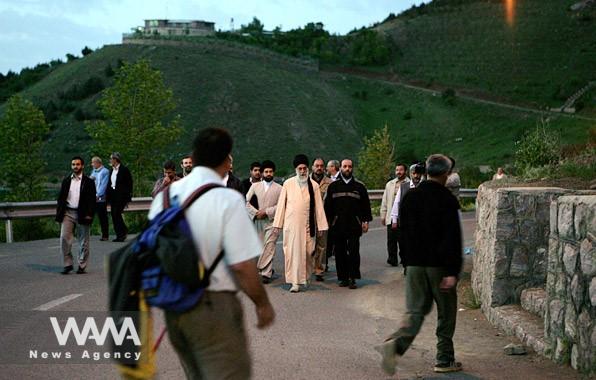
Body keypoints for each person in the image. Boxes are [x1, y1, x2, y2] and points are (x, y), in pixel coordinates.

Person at [148, 127, 275, 379]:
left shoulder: (164, 198)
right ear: (227, 160)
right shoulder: (227, 200)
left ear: (193, 158)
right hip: (213, 308)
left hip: (175, 308)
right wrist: (262, 303)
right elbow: (243, 266)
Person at [376, 154, 463, 375]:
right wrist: (452, 271)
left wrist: (406, 261)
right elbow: (452, 238)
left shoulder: (411, 197)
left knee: (415, 310)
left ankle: (395, 345)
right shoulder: (447, 200)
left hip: (414, 265)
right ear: (445, 173)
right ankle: (444, 359)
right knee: (446, 312)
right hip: (438, 266)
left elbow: (402, 234)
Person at [272, 154, 328, 293]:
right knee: (292, 253)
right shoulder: (288, 184)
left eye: (304, 168)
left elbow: (319, 207)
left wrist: (321, 226)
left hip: (308, 226)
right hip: (291, 226)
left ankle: (305, 277)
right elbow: (281, 205)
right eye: (300, 168)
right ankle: (294, 282)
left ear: (308, 169)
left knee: (308, 253)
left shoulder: (313, 186)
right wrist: (277, 225)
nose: (302, 171)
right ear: (296, 169)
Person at [324, 159, 372, 289]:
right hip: (337, 225)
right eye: (345, 166)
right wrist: (328, 222)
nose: (347, 169)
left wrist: (365, 221)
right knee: (340, 252)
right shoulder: (333, 187)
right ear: (340, 168)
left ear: (352, 168)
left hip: (354, 225)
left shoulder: (359, 187)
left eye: (349, 167)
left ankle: (353, 277)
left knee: (354, 251)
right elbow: (327, 207)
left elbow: (365, 206)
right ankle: (343, 278)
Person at [55, 156, 96, 274]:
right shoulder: (67, 180)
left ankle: (82, 265)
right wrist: (60, 213)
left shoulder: (89, 182)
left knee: (84, 241)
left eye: (78, 164)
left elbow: (92, 200)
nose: (75, 166)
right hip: (68, 213)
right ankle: (67, 264)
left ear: (82, 166)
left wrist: (90, 214)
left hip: (82, 214)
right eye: (73, 164)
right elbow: (61, 198)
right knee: (64, 238)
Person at [246, 160, 282, 284]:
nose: (268, 173)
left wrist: (266, 211)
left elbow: (281, 206)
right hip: (258, 221)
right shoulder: (255, 186)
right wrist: (256, 213)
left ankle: (265, 273)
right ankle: (262, 269)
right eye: (266, 171)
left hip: (272, 221)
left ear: (273, 172)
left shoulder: (279, 188)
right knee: (260, 246)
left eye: (270, 171)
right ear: (262, 173)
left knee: (269, 246)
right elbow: (246, 201)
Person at [380, 164, 410, 267]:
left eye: (401, 170)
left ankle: (404, 258)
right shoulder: (390, 184)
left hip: (404, 217)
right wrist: (383, 214)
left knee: (402, 240)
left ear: (405, 171)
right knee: (391, 240)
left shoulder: (409, 184)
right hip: (391, 215)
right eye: (397, 170)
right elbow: (385, 200)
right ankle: (392, 259)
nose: (398, 172)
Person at [310, 157, 333, 281]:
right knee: (308, 245)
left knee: (322, 245)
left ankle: (319, 270)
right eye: (316, 166)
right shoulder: (305, 181)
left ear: (324, 168)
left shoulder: (330, 183)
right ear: (312, 167)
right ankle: (307, 267)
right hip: (307, 218)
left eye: (321, 166)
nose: (319, 168)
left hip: (323, 218)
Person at [107, 152, 133, 242]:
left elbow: (129, 183)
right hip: (113, 195)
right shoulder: (111, 170)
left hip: (121, 196)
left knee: (116, 213)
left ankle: (121, 235)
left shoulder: (124, 170)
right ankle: (122, 232)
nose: (110, 160)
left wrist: (127, 194)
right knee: (114, 215)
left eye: (111, 159)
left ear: (115, 160)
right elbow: (109, 184)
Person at [90, 156, 110, 241]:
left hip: (101, 198)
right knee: (89, 216)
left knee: (102, 217)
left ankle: (105, 235)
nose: (92, 164)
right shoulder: (93, 171)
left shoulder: (105, 171)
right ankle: (87, 234)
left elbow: (104, 185)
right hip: (92, 197)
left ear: (98, 163)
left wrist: (98, 195)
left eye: (93, 163)